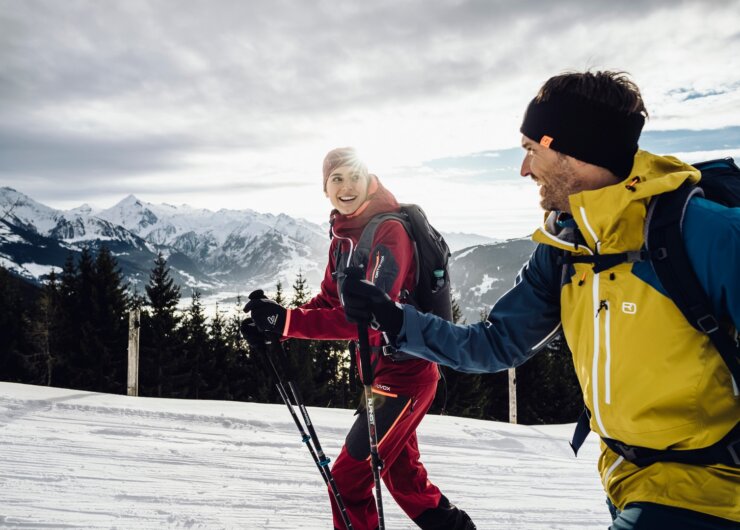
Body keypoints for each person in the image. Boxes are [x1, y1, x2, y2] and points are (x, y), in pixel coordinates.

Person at [340, 71, 740, 529]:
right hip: (626, 478)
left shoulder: (706, 234)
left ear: (577, 151)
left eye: (532, 150)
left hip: (712, 488)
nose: (524, 168)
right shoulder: (568, 246)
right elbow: (497, 344)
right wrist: (393, 319)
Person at [242, 147, 476, 530]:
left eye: (354, 176)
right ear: (325, 188)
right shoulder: (342, 236)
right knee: (403, 476)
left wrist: (287, 323)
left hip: (405, 375)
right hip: (381, 374)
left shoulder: (389, 231)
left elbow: (371, 319)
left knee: (348, 479)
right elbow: (330, 300)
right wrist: (278, 326)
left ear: (370, 179)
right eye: (336, 179)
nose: (346, 187)